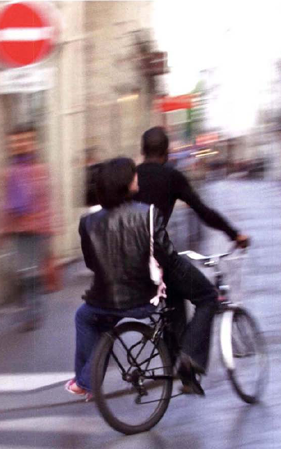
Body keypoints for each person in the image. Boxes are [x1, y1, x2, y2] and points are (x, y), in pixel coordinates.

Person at [67, 157, 215, 399]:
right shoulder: (147, 214)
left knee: (84, 317)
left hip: (102, 300)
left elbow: (91, 263)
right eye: (134, 175)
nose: (138, 178)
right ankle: (189, 357)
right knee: (207, 295)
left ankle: (87, 381)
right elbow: (166, 256)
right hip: (142, 299)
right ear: (125, 183)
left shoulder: (87, 222)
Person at [133, 127, 249, 365]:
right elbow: (203, 212)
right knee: (207, 297)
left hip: (132, 260)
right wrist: (234, 234)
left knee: (175, 300)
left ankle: (173, 362)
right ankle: (190, 360)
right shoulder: (172, 177)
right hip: (160, 257)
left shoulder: (131, 176)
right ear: (167, 152)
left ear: (142, 151)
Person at [0, 125, 54, 332]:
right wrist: (2, 229)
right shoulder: (8, 172)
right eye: (16, 141)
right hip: (16, 230)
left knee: (30, 272)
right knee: (19, 272)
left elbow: (46, 201)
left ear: (32, 142)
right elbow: (3, 204)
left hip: (35, 229)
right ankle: (28, 309)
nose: (20, 144)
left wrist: (48, 229)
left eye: (25, 140)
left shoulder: (39, 170)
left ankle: (32, 312)